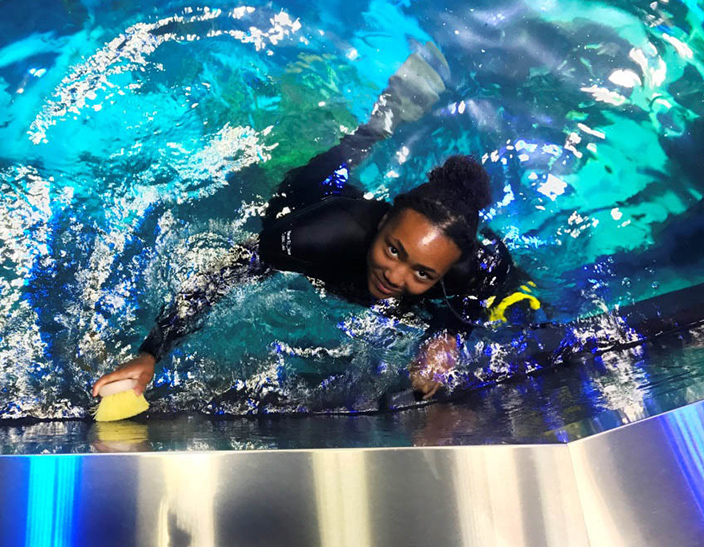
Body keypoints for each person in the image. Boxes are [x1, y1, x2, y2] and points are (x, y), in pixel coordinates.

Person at [92, 44, 537, 404]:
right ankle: (390, 110)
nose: (394, 276)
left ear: (446, 269)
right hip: (313, 197)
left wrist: (448, 336)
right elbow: (223, 277)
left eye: (423, 273)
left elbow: (492, 285)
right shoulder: (322, 233)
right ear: (383, 221)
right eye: (394, 249)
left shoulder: (470, 264)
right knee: (348, 152)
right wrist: (151, 353)